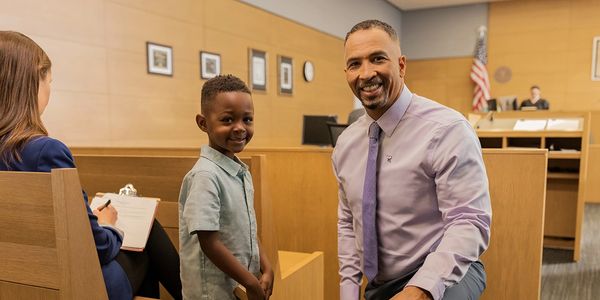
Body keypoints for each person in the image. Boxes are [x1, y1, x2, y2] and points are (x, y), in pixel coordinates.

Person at [0, 31, 182, 300]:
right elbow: (96, 249)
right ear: (31, 85)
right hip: (73, 286)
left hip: (16, 283)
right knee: (144, 233)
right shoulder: (44, 151)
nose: (50, 89)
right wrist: (108, 226)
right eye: (49, 81)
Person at [333, 20, 492, 300]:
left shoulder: (447, 130)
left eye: (378, 59)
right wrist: (348, 292)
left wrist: (422, 289)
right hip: (382, 282)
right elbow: (348, 221)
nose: (366, 73)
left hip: (445, 269)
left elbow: (469, 221)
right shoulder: (345, 144)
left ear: (401, 65)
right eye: (355, 64)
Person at [178, 75, 274, 300]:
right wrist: (250, 282)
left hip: (237, 287)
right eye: (228, 120)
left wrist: (266, 267)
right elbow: (209, 243)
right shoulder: (205, 176)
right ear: (203, 123)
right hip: (211, 293)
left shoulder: (240, 171)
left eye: (247, 119)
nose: (240, 128)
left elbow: (248, 228)